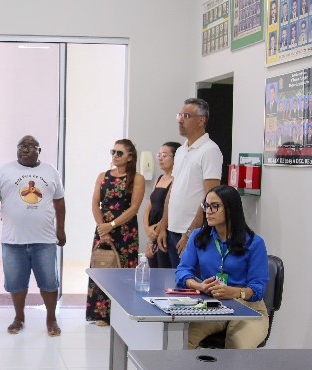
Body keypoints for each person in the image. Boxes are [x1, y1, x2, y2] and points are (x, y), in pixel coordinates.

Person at [0, 135, 66, 336]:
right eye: (21, 146)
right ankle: (18, 318)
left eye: (30, 146)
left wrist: (61, 229)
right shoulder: (3, 171)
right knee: (16, 283)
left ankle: (51, 319)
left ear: (39, 150)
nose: (25, 149)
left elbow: (59, 202)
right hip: (13, 241)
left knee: (49, 282)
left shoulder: (51, 171)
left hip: (44, 240)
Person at [175, 185, 270, 349]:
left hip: (249, 306)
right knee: (181, 339)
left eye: (215, 206)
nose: (208, 211)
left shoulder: (255, 243)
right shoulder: (198, 237)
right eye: (206, 206)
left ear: (231, 209)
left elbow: (258, 288)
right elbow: (182, 271)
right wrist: (199, 286)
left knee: (237, 346)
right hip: (213, 304)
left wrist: (235, 292)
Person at [157, 98, 222, 269]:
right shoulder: (180, 150)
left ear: (201, 120)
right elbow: (173, 190)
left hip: (193, 233)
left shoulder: (210, 150)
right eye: (179, 115)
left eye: (186, 116)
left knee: (191, 282)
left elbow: (211, 197)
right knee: (173, 281)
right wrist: (163, 226)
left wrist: (190, 233)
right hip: (172, 230)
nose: (180, 120)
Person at [86, 139, 145, 325]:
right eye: (113, 151)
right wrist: (102, 229)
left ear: (130, 157)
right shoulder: (102, 176)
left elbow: (134, 208)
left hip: (125, 231)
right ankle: (101, 314)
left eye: (119, 153)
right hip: (103, 229)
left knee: (124, 271)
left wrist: (111, 225)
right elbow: (95, 204)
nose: (115, 155)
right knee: (103, 267)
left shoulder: (137, 178)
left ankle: (122, 314)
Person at [143, 142, 181, 268]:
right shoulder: (159, 178)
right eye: (158, 155)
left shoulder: (177, 180)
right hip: (152, 232)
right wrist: (148, 229)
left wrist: (155, 232)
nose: (160, 158)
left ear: (175, 158)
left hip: (165, 232)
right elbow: (148, 207)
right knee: (153, 270)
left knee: (164, 269)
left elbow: (170, 209)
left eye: (164, 155)